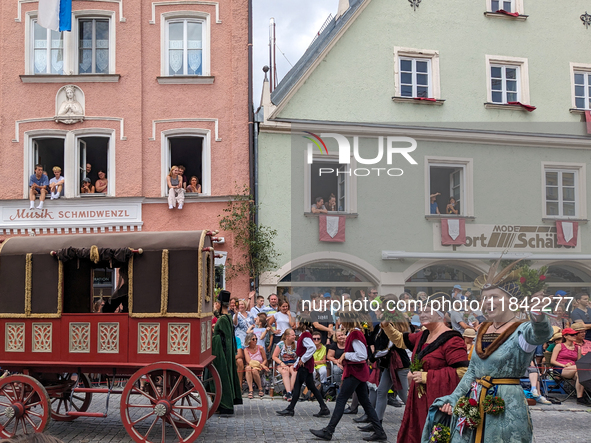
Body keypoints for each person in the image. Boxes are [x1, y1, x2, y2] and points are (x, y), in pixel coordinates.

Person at [427, 260, 554, 443]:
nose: (487, 302)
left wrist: (538, 314)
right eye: (484, 297)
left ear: (512, 301)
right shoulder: (482, 329)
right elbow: (472, 371)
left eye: (494, 296)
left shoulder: (522, 329)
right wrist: (455, 397)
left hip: (506, 404)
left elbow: (540, 333)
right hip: (475, 399)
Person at [379, 293, 467, 443]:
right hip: (419, 398)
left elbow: (463, 372)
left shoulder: (452, 339)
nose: (422, 314)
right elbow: (401, 340)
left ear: (440, 315)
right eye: (420, 312)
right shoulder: (423, 335)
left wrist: (427, 376)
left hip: (438, 400)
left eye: (427, 311)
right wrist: (386, 325)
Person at [310, 312, 387, 442]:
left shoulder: (355, 334)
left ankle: (329, 431)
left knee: (341, 400)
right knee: (366, 403)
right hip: (356, 372)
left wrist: (346, 355)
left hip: (354, 372)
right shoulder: (354, 333)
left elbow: (362, 355)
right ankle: (380, 432)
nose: (339, 321)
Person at [358, 301, 411, 433]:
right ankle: (376, 423)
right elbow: (372, 337)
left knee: (404, 395)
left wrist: (371, 358)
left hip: (399, 364)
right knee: (381, 391)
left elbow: (387, 348)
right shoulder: (380, 327)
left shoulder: (391, 326)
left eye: (378, 310)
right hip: (388, 364)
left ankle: (417, 419)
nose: (375, 312)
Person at [277, 316, 330, 417]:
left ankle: (291, 409)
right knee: (310, 387)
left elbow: (312, 347)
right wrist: (298, 362)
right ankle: (323, 407)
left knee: (298, 385)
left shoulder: (305, 335)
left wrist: (303, 360)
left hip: (305, 365)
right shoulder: (304, 334)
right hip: (304, 364)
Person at [211, 290, 243, 414]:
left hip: (221, 352)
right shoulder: (227, 317)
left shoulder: (224, 319)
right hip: (225, 350)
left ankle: (225, 404)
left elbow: (220, 328)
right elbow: (220, 319)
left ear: (219, 304)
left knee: (222, 375)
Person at [550, 327, 587, 404]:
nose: (575, 336)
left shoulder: (578, 348)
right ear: (565, 336)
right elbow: (552, 361)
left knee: (579, 373)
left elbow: (578, 362)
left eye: (575, 334)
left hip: (574, 369)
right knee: (580, 369)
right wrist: (564, 365)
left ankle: (580, 397)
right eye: (572, 334)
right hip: (561, 368)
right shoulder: (559, 346)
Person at [272, 328, 298, 400]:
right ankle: (289, 392)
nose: (295, 336)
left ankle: (289, 392)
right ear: (287, 337)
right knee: (285, 372)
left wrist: (295, 363)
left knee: (294, 372)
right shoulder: (281, 344)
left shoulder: (296, 344)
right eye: (293, 335)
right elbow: (274, 356)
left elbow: (300, 356)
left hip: (293, 363)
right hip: (282, 363)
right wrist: (282, 363)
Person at [244, 332, 269, 399]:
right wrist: (262, 365)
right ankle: (250, 389)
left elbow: (265, 360)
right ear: (249, 341)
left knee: (254, 370)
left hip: (259, 368)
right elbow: (249, 361)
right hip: (251, 366)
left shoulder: (260, 348)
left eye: (256, 339)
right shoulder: (246, 350)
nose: (255, 340)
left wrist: (262, 365)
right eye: (253, 339)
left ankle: (260, 388)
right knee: (249, 368)